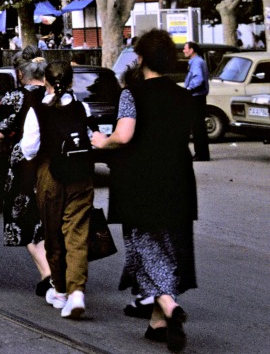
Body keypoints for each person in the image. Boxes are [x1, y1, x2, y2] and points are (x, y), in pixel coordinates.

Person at [92, 28, 197, 351]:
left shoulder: (132, 94)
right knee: (168, 245)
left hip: (140, 181)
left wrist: (101, 141)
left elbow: (124, 135)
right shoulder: (183, 95)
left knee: (144, 246)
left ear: (140, 58)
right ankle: (158, 323)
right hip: (178, 179)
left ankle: (167, 303)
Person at [23, 61, 96, 319]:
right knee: (77, 234)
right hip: (81, 176)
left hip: (50, 176)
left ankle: (61, 289)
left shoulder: (37, 111)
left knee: (53, 234)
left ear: (45, 81)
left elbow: (29, 149)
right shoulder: (82, 107)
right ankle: (77, 292)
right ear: (72, 81)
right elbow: (91, 139)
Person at [0, 47, 51, 298]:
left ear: (20, 74)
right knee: (47, 221)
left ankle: (48, 275)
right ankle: (52, 274)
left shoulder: (14, 97)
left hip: (24, 166)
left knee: (25, 221)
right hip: (53, 163)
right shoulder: (53, 95)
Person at [181, 41, 210, 162]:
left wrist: (188, 89)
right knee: (198, 126)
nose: (184, 51)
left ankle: (201, 154)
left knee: (198, 126)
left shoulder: (196, 62)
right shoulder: (196, 61)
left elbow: (198, 79)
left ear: (192, 50)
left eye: (185, 48)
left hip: (196, 97)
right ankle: (202, 153)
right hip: (198, 97)